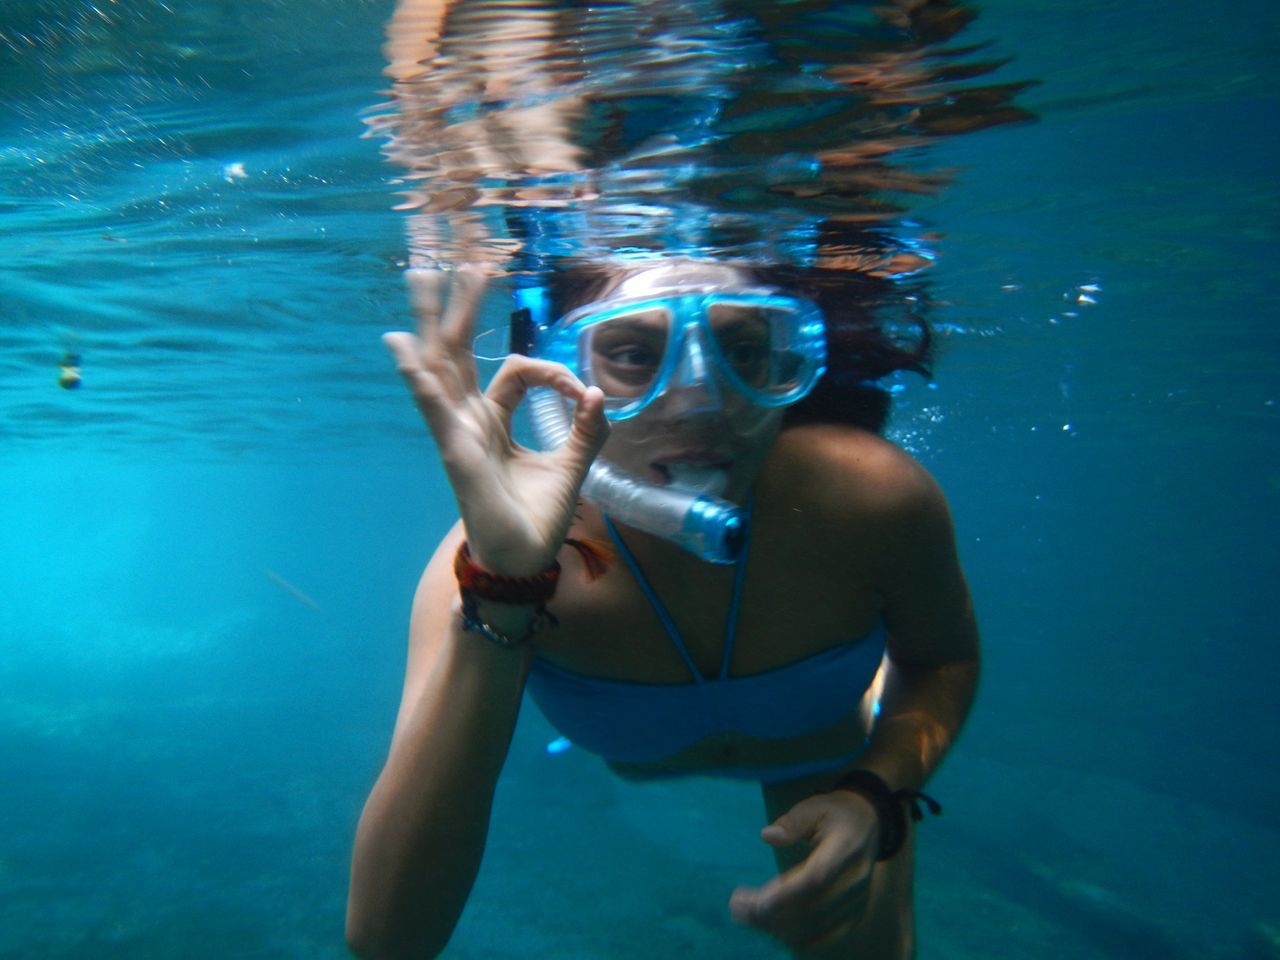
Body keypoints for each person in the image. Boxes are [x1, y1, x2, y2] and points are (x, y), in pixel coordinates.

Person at [346, 253, 981, 959]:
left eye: (743, 349)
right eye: (633, 354)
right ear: (561, 373)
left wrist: (876, 795)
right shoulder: (487, 560)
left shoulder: (869, 497)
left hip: (827, 757)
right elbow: (386, 940)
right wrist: (504, 584)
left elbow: (941, 658)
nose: (701, 402)